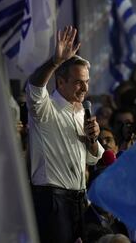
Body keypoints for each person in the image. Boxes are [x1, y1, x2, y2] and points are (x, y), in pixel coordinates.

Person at [26, 26, 104, 243]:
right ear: (60, 81)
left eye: (87, 81)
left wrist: (93, 140)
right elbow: (33, 85)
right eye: (78, 81)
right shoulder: (44, 108)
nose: (84, 87)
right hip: (52, 200)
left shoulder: (82, 112)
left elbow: (93, 158)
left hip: (80, 200)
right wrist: (55, 62)